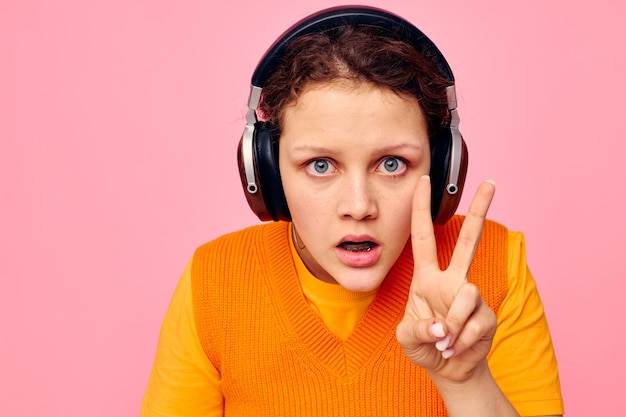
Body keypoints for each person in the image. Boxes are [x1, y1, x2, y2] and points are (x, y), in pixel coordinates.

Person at [141, 5, 563, 417]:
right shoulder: (213, 280)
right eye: (320, 166)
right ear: (266, 173)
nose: (359, 206)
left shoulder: (497, 267)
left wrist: (466, 381)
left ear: (442, 166)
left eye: (392, 164)